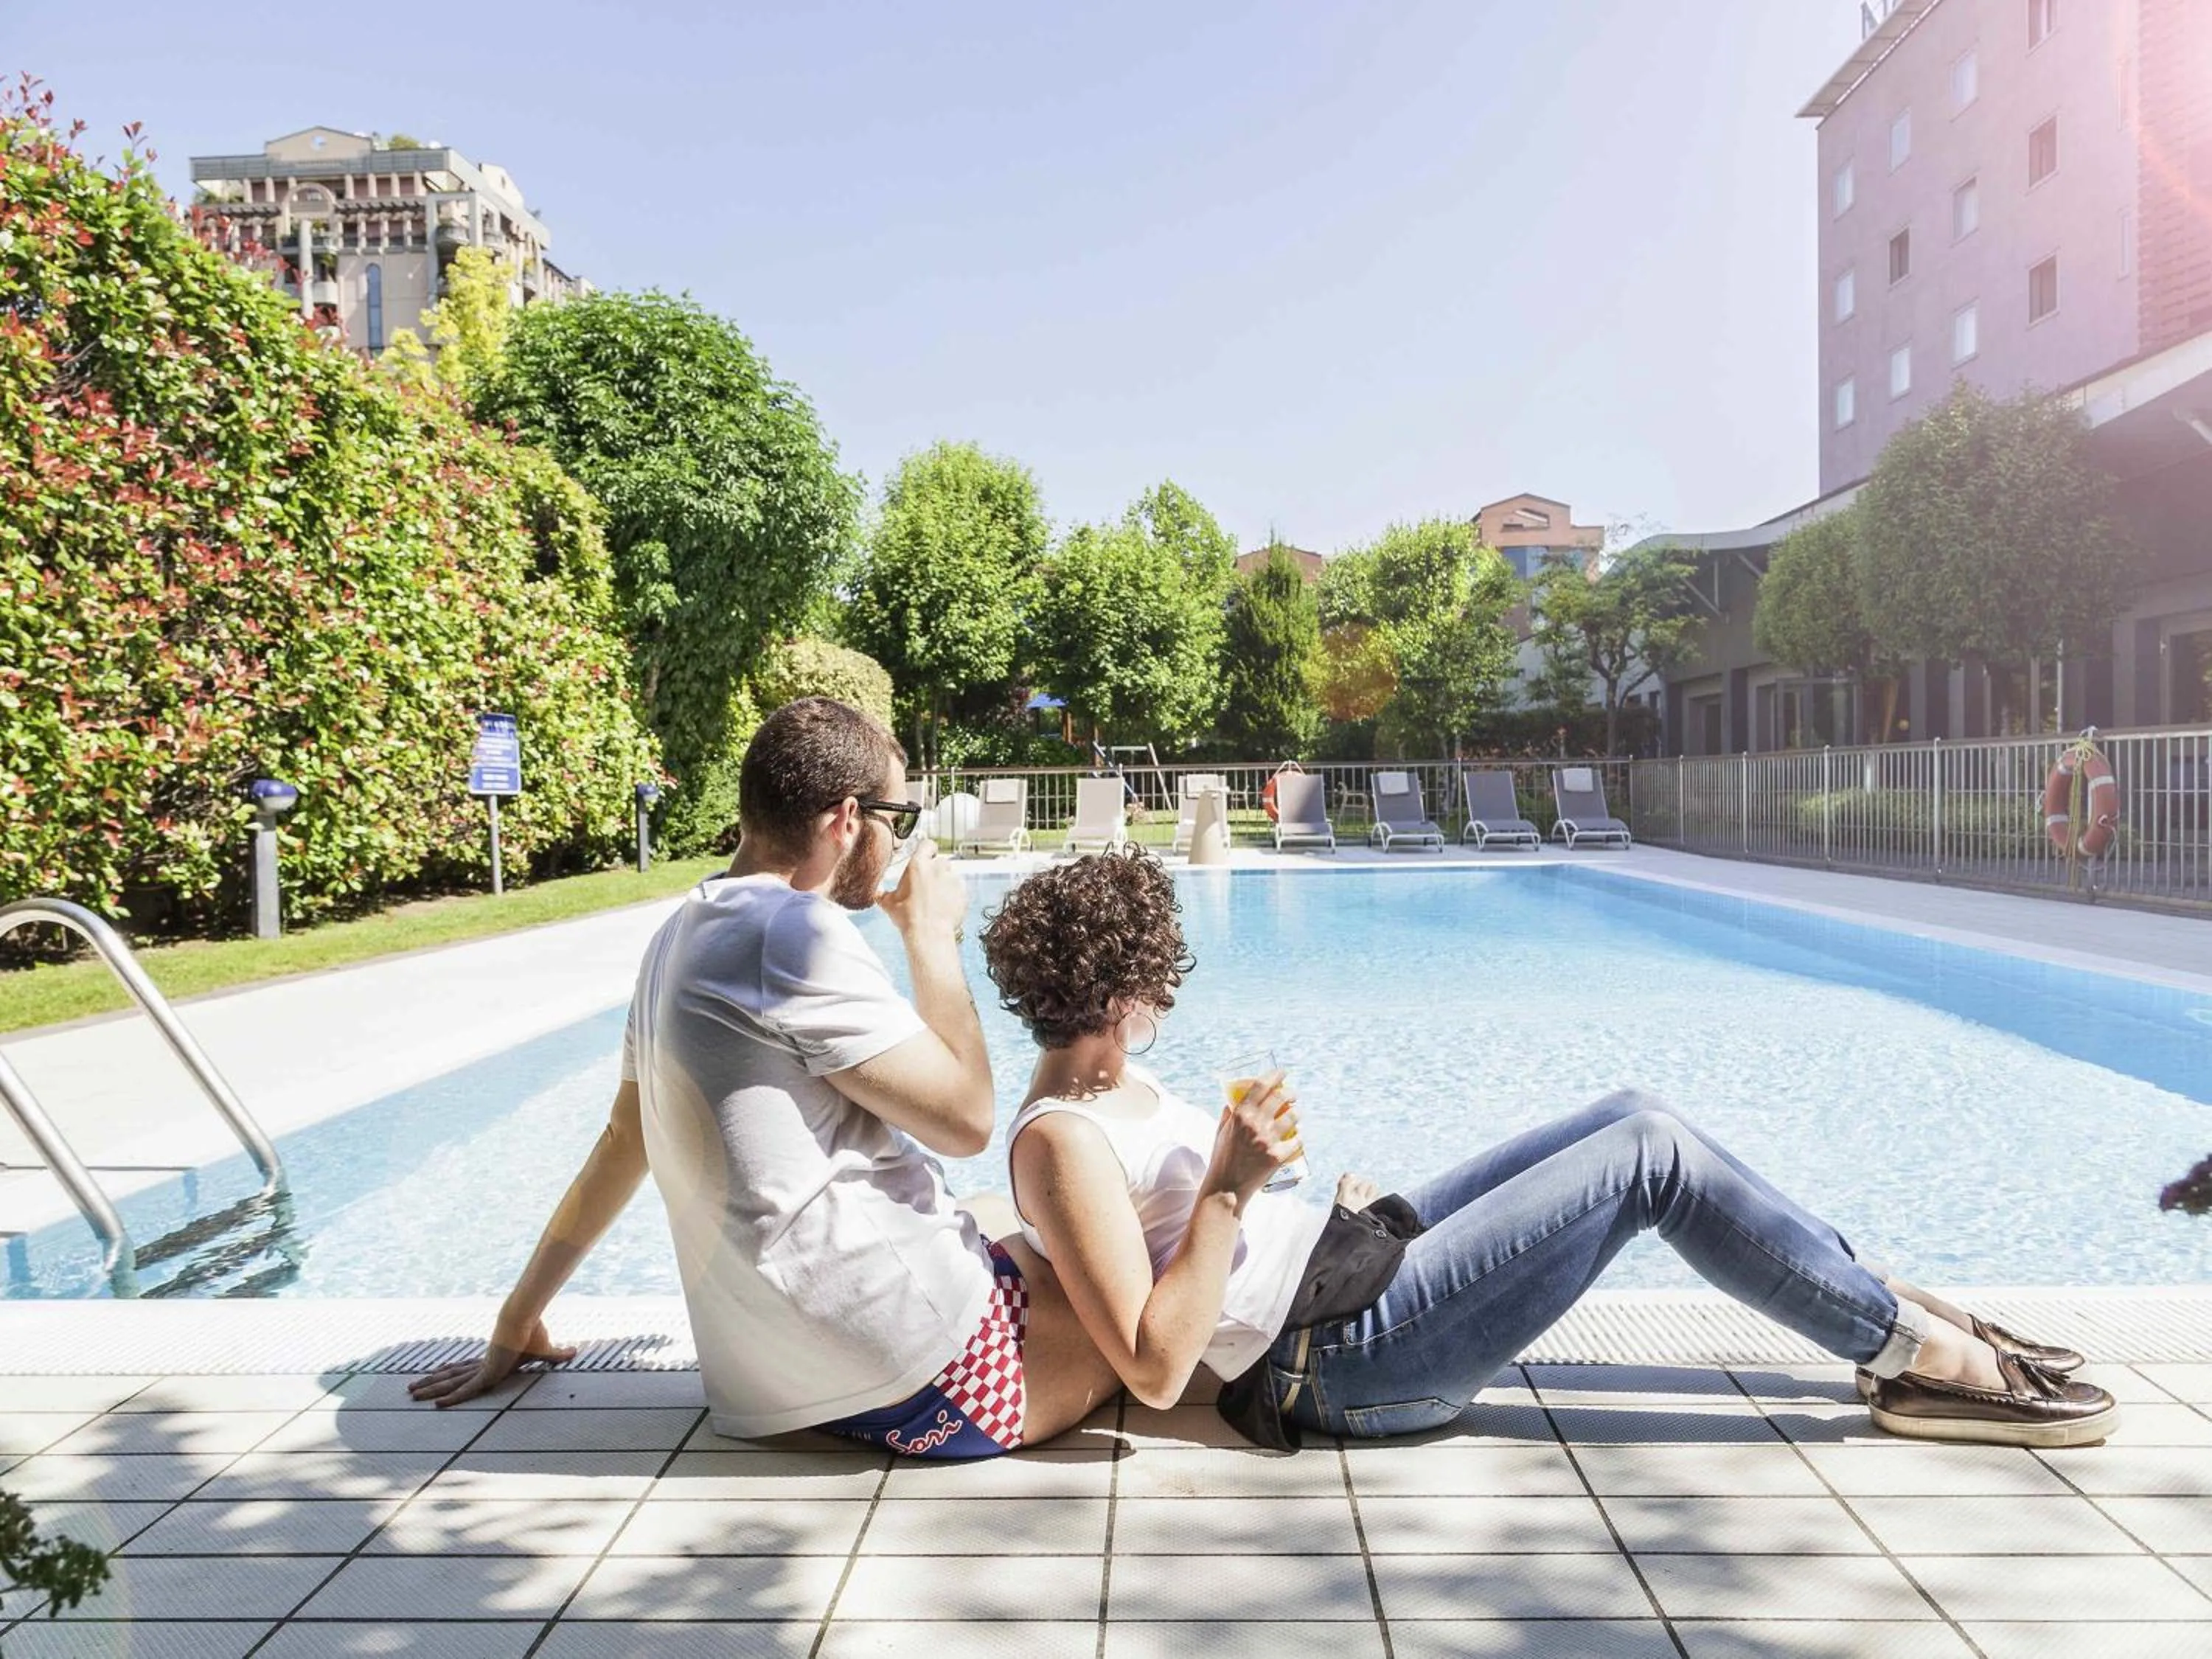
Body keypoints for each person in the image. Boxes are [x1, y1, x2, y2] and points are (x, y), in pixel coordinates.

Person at [978, 847, 2118, 1450]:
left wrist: (1298, 1206)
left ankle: (1875, 1300)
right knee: (1650, 1156)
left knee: (1628, 1106)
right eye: (1157, 986)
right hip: (1336, 1359)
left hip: (1343, 1265)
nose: (1163, 1005)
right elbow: (1156, 1366)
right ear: (1127, 989)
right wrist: (1234, 1185)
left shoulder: (1113, 1080)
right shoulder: (1061, 1141)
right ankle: (1919, 1353)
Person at [411, 698, 1117, 1456]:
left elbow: (625, 1139)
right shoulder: (793, 932)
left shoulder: (677, 936)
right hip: (916, 1373)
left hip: (773, 1384)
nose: (898, 840)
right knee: (1129, 1291)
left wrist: (519, 1316)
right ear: (846, 819)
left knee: (1010, 1217)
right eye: (896, 819)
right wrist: (930, 936)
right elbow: (967, 1120)